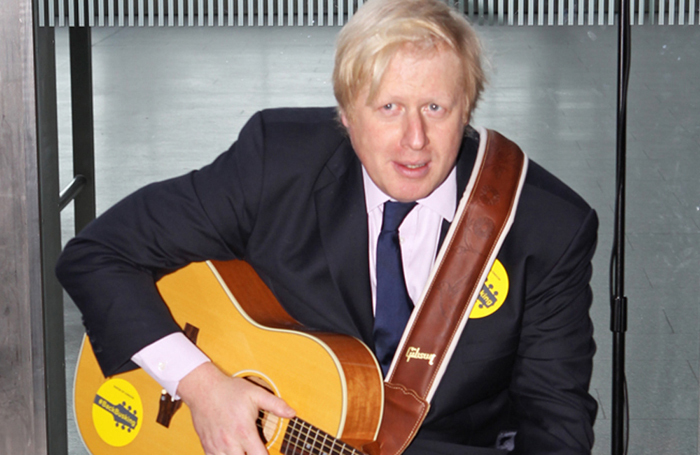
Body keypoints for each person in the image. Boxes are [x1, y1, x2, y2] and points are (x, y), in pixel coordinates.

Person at [56, 0, 598, 453]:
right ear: (344, 113)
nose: (415, 139)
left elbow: (556, 425)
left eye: (436, 107)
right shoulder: (278, 161)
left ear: (468, 108)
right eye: (388, 107)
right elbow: (98, 255)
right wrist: (200, 386)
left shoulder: (545, 227)